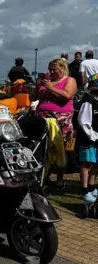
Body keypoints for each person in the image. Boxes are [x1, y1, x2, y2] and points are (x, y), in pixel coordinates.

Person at [30, 58, 78, 188]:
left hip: (60, 119)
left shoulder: (69, 80)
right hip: (42, 118)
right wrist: (38, 85)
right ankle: (43, 176)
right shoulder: (47, 81)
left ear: (62, 69)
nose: (50, 72)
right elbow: (32, 98)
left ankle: (60, 179)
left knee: (60, 149)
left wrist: (50, 88)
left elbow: (67, 95)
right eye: (49, 69)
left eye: (54, 69)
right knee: (42, 148)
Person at [76, 74, 98, 203]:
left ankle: (91, 185)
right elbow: (83, 120)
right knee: (86, 163)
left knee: (96, 163)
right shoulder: (88, 100)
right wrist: (93, 136)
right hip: (89, 138)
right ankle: (84, 190)